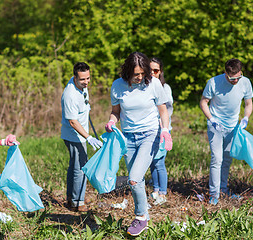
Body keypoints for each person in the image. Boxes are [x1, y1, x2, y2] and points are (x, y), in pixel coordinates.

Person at [105, 52, 172, 236]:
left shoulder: (154, 84)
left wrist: (165, 130)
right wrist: (112, 122)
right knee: (137, 181)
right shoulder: (118, 86)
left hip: (149, 135)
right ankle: (145, 216)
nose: (140, 77)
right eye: (136, 74)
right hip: (128, 138)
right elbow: (115, 112)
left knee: (133, 179)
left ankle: (141, 217)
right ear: (127, 72)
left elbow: (163, 111)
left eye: (143, 73)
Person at [200, 58, 253, 205]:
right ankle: (214, 194)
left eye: (238, 77)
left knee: (227, 159)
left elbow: (248, 103)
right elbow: (203, 102)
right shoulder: (213, 82)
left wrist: (246, 118)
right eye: (232, 78)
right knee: (217, 159)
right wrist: (211, 119)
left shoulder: (245, 82)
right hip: (216, 126)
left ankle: (223, 189)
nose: (235, 80)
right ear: (225, 73)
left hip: (232, 127)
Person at [61, 62, 103, 212]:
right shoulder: (70, 95)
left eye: (88, 78)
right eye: (82, 79)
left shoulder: (82, 87)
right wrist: (89, 137)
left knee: (75, 166)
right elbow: (72, 121)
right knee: (81, 167)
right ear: (74, 78)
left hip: (81, 134)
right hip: (74, 136)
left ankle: (71, 200)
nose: (86, 82)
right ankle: (78, 202)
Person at [149, 57, 173, 205]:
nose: (152, 73)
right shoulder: (145, 86)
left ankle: (163, 191)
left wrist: (162, 125)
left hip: (162, 130)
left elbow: (167, 109)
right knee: (151, 160)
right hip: (149, 129)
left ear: (160, 72)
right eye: (150, 70)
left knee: (159, 162)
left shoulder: (165, 88)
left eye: (156, 70)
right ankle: (156, 188)